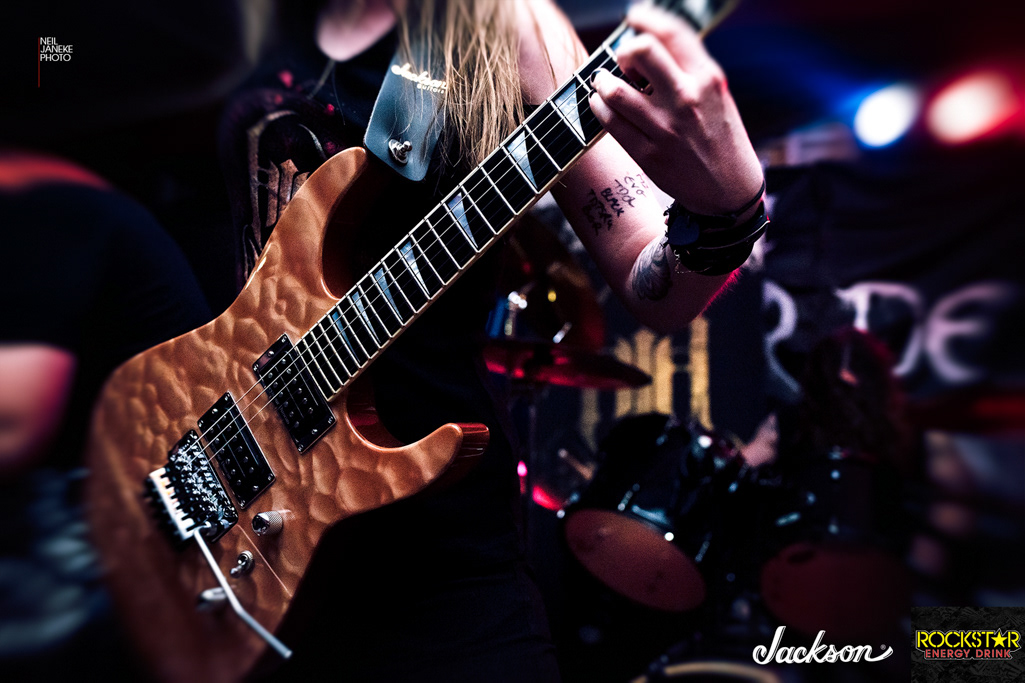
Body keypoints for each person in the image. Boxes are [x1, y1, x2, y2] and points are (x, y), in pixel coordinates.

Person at [214, 0, 765, 680]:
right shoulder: (272, 26)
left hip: (432, 559)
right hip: (246, 509)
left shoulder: (504, 20)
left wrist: (728, 215)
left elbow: (650, 276)